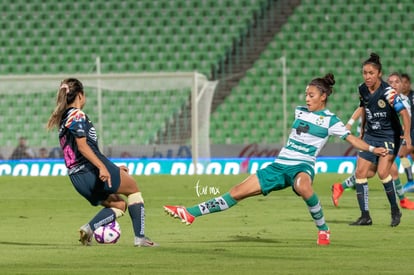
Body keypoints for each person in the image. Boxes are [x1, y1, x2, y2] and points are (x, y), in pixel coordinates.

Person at [164, 73, 388, 246]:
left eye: (311, 95)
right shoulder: (300, 112)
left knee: (302, 186)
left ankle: (323, 229)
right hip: (279, 165)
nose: (306, 98)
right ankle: (190, 213)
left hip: (302, 166)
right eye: (306, 95)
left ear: (323, 96)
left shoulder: (330, 121)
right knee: (236, 192)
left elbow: (351, 139)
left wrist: (371, 148)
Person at [46, 78, 157, 247]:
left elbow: (88, 149)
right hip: (91, 172)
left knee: (119, 205)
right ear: (81, 96)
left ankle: (88, 229)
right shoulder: (77, 115)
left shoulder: (63, 119)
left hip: (77, 178)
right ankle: (140, 238)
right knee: (133, 189)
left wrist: (112, 167)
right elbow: (83, 147)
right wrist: (102, 167)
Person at [332, 72, 414, 209]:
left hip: (387, 136)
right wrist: (351, 123)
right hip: (374, 135)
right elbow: (362, 107)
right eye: (391, 82)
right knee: (390, 169)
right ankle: (402, 200)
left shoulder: (402, 99)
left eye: (397, 82)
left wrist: (405, 132)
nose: (393, 85)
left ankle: (339, 187)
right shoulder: (383, 94)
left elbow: (404, 117)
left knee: (370, 172)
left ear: (401, 85)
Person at [346, 53, 411, 227]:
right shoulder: (362, 89)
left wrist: (407, 134)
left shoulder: (388, 92)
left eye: (371, 73)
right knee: (360, 173)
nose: (367, 77)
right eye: (365, 73)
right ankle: (365, 216)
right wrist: (362, 130)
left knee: (383, 172)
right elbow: (365, 108)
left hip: (389, 136)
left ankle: (394, 209)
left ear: (379, 74)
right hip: (371, 134)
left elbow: (404, 113)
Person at [401, 73, 414, 192]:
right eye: (402, 82)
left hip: (412, 130)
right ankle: (411, 181)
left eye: (406, 82)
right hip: (408, 130)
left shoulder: (413, 96)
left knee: (402, 153)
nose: (404, 85)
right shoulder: (398, 98)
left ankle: (410, 181)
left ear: (409, 84)